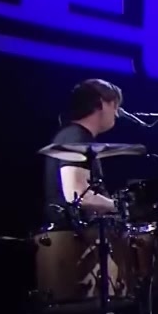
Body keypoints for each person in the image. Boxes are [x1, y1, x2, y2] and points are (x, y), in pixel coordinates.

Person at [42, 79, 123, 225]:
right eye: (114, 106)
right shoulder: (76, 137)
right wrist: (122, 207)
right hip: (70, 234)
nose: (116, 114)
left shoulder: (75, 135)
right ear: (101, 103)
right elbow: (78, 195)